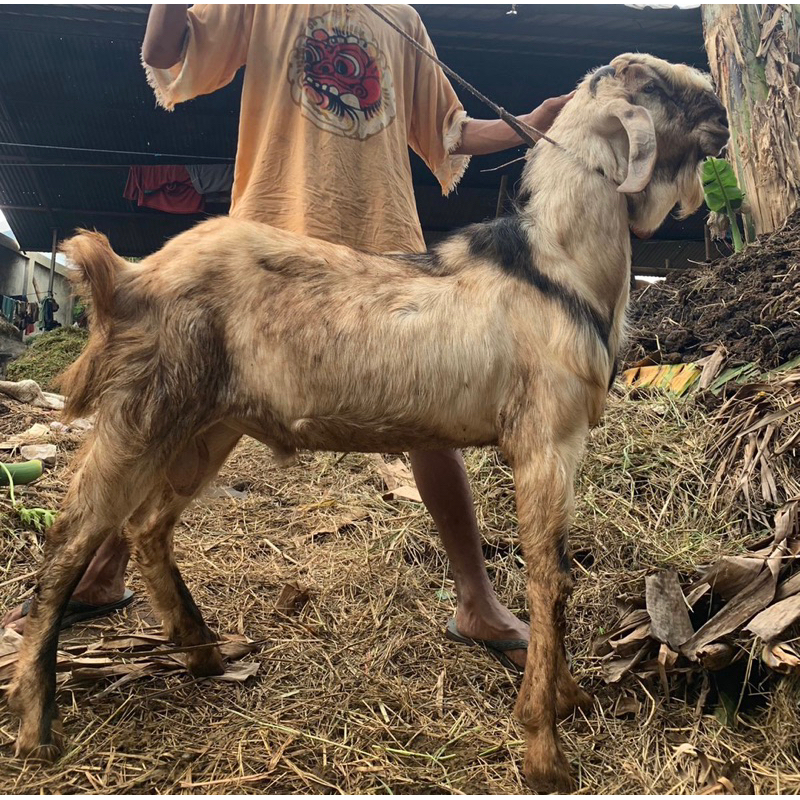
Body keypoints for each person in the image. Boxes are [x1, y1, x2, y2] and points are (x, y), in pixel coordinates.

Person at [3, 4, 572, 673]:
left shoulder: (401, 18)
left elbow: (448, 128)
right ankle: (103, 569)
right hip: (270, 244)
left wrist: (528, 125)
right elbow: (165, 49)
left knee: (430, 418)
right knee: (196, 405)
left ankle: (476, 600)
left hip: (381, 244)